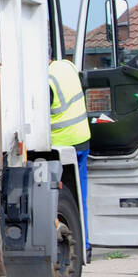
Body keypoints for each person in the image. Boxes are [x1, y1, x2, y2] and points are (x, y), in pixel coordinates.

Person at [49, 56, 91, 250]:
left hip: (61, 144)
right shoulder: (67, 66)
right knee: (80, 199)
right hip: (82, 139)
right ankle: (86, 245)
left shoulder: (46, 80)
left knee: (56, 198)